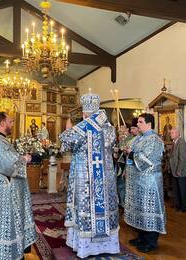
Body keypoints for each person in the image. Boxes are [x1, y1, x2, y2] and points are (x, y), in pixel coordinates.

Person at [59, 93, 120, 259]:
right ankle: (107, 245)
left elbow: (64, 140)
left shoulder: (84, 127)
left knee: (87, 206)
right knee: (104, 206)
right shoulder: (109, 127)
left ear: (85, 112)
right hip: (105, 177)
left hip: (86, 178)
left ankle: (85, 248)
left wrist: (69, 125)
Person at [0, 112, 36, 260]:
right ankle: (8, 255)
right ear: (2, 123)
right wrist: (24, 159)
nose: (12, 124)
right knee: (7, 226)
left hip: (0, 192)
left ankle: (10, 253)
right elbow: (9, 165)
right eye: (11, 122)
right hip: (3, 195)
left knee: (4, 227)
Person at [124, 113, 166, 253]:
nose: (138, 125)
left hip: (150, 181)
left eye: (140, 122)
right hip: (139, 181)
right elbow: (132, 151)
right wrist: (127, 151)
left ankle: (151, 242)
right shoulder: (139, 138)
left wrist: (131, 154)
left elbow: (148, 160)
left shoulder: (154, 140)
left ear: (149, 124)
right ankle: (142, 237)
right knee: (141, 209)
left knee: (150, 208)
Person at [169, 128, 186, 212]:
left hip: (181, 171)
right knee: (176, 189)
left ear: (178, 133)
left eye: (173, 133)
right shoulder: (174, 142)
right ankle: (178, 205)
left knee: (182, 190)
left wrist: (179, 170)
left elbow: (183, 158)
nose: (171, 134)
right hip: (174, 170)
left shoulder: (182, 143)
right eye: (171, 133)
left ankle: (185, 207)